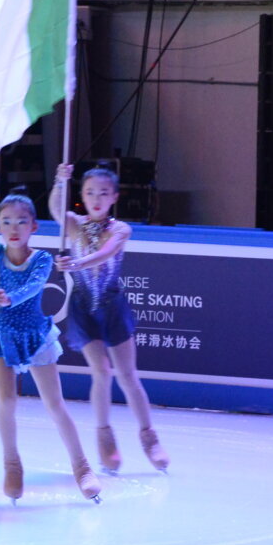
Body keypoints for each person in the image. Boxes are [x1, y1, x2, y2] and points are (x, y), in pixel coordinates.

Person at [0, 176, 101, 504]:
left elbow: (32, 287)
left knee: (54, 404)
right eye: (5, 222)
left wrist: (9, 298)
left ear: (33, 226)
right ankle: (12, 465)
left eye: (21, 221)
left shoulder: (42, 259)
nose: (13, 228)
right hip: (2, 335)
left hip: (35, 335)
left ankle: (82, 467)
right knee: (7, 402)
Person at [49, 163, 169, 475]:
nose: (96, 198)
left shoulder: (120, 229)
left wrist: (77, 263)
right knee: (101, 372)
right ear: (82, 195)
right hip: (83, 308)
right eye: (90, 192)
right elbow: (56, 210)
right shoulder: (74, 224)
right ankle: (105, 438)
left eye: (103, 193)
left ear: (114, 196)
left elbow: (107, 252)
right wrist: (60, 182)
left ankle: (149, 437)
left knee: (127, 375)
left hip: (112, 307)